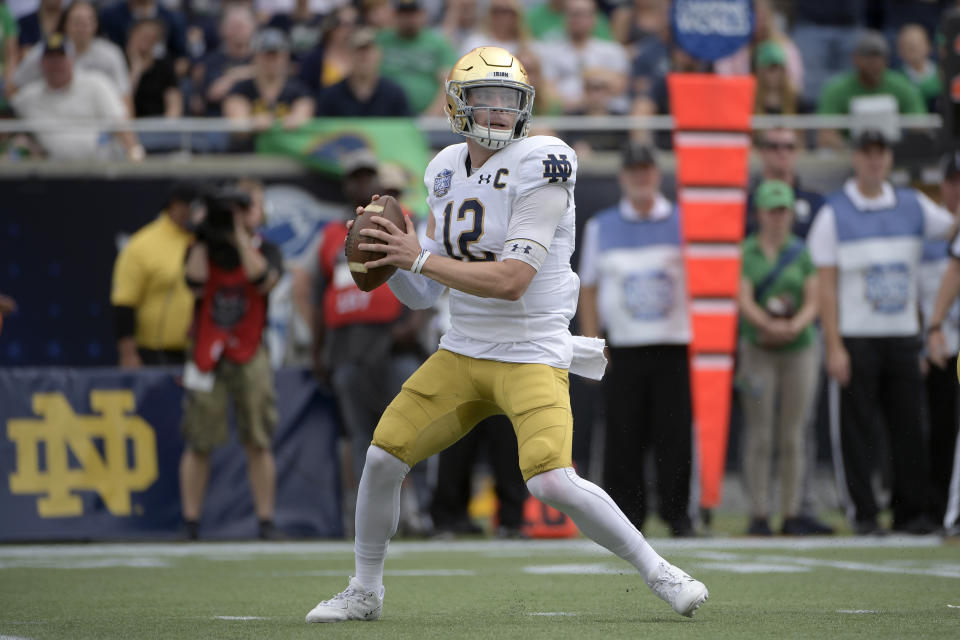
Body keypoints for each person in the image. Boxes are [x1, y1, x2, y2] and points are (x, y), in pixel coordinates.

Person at [304, 45, 708, 624]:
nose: (496, 112)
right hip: (462, 350)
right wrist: (392, 260)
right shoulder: (443, 168)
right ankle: (365, 591)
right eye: (484, 99)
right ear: (456, 105)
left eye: (507, 100)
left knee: (552, 481)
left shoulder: (545, 161)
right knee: (382, 458)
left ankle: (660, 570)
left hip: (531, 351)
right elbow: (426, 290)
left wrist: (418, 260)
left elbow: (512, 280)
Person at [807, 129, 954, 535]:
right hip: (856, 337)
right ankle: (864, 513)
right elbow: (826, 287)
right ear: (855, 159)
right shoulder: (834, 213)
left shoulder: (914, 205)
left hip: (903, 335)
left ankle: (911, 513)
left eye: (881, 153)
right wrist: (834, 345)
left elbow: (952, 229)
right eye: (867, 153)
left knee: (909, 428)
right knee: (855, 434)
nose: (875, 161)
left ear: (889, 159)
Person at [298, 148, 429, 538]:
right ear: (346, 184)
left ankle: (418, 515)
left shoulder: (404, 224)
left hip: (393, 343)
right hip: (348, 346)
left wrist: (416, 323)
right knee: (360, 438)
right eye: (354, 177)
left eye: (367, 176)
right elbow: (311, 289)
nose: (361, 183)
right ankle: (364, 521)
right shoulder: (330, 236)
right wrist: (318, 345)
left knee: (412, 432)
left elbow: (428, 274)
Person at [576, 143, 695, 537]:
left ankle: (679, 515)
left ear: (656, 175)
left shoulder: (684, 221)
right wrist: (595, 344)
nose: (641, 177)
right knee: (622, 439)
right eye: (634, 171)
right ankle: (627, 519)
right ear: (623, 177)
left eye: (647, 170)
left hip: (675, 345)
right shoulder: (602, 226)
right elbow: (588, 288)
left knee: (675, 436)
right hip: (623, 349)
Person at [180, 182, 285, 541]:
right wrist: (205, 236)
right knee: (198, 438)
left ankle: (265, 522)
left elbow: (262, 281)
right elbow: (193, 284)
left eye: (246, 207)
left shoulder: (266, 248)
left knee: (258, 436)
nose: (238, 215)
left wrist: (240, 237)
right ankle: (191, 523)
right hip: (206, 349)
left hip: (250, 347)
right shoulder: (202, 249)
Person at [738, 180, 826, 536]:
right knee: (759, 433)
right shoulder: (747, 251)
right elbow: (742, 297)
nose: (778, 218)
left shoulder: (800, 251)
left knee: (793, 433)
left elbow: (814, 299)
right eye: (772, 211)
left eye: (783, 211)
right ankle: (758, 511)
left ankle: (790, 512)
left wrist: (793, 326)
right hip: (757, 347)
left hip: (798, 347)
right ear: (759, 214)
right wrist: (767, 325)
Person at [10, 33, 144, 161]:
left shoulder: (96, 84)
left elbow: (120, 124)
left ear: (72, 60)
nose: (56, 64)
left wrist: (136, 154)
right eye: (50, 58)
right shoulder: (27, 97)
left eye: (60, 57)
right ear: (41, 63)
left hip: (102, 171)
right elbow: (7, 120)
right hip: (52, 173)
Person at [110, 181, 199, 368]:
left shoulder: (205, 241)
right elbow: (124, 305)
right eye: (192, 206)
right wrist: (128, 354)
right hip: (155, 355)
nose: (196, 212)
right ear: (175, 204)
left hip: (200, 353)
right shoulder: (143, 244)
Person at [920, 151, 960, 532]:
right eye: (954, 180)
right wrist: (929, 333)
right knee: (940, 430)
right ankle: (941, 511)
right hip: (940, 344)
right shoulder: (928, 229)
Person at [816, 31, 926, 150]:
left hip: (893, 155)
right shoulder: (836, 89)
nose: (874, 63)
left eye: (878, 56)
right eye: (868, 56)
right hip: (848, 156)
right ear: (855, 59)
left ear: (886, 60)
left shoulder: (902, 86)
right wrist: (858, 153)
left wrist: (893, 152)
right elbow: (825, 135)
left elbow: (920, 126)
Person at [11, 1, 130, 103]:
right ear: (64, 24)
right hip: (53, 117)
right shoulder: (45, 51)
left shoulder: (111, 53)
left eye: (88, 21)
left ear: (96, 24)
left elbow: (124, 96)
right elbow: (14, 87)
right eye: (77, 22)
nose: (82, 27)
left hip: (98, 121)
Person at [376, 0, 457, 115]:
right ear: (394, 16)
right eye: (403, 14)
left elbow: (449, 84)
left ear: (423, 14)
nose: (408, 19)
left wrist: (431, 116)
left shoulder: (437, 43)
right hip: (387, 117)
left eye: (413, 13)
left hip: (428, 117)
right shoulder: (381, 40)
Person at [314, 26, 410, 117]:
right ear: (348, 55)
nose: (364, 56)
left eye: (369, 50)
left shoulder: (394, 92)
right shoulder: (330, 95)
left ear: (379, 55)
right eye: (358, 50)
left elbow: (408, 125)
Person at [747, 128, 825, 239]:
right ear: (760, 151)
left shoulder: (815, 201)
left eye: (789, 147)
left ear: (798, 151)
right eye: (773, 147)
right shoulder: (746, 203)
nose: (782, 152)